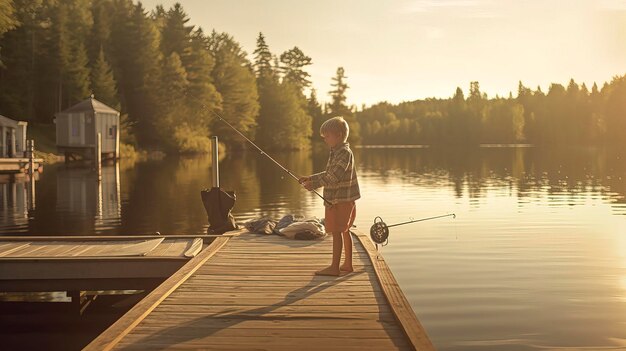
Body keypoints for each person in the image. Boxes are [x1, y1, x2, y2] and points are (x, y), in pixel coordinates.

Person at [299, 116, 360, 276]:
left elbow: (334, 177)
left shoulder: (344, 153)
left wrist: (314, 185)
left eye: (327, 136)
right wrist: (311, 178)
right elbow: (328, 173)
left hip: (339, 200)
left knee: (338, 231)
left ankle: (334, 267)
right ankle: (347, 264)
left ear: (338, 135)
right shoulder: (338, 152)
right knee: (345, 230)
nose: (325, 139)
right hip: (344, 200)